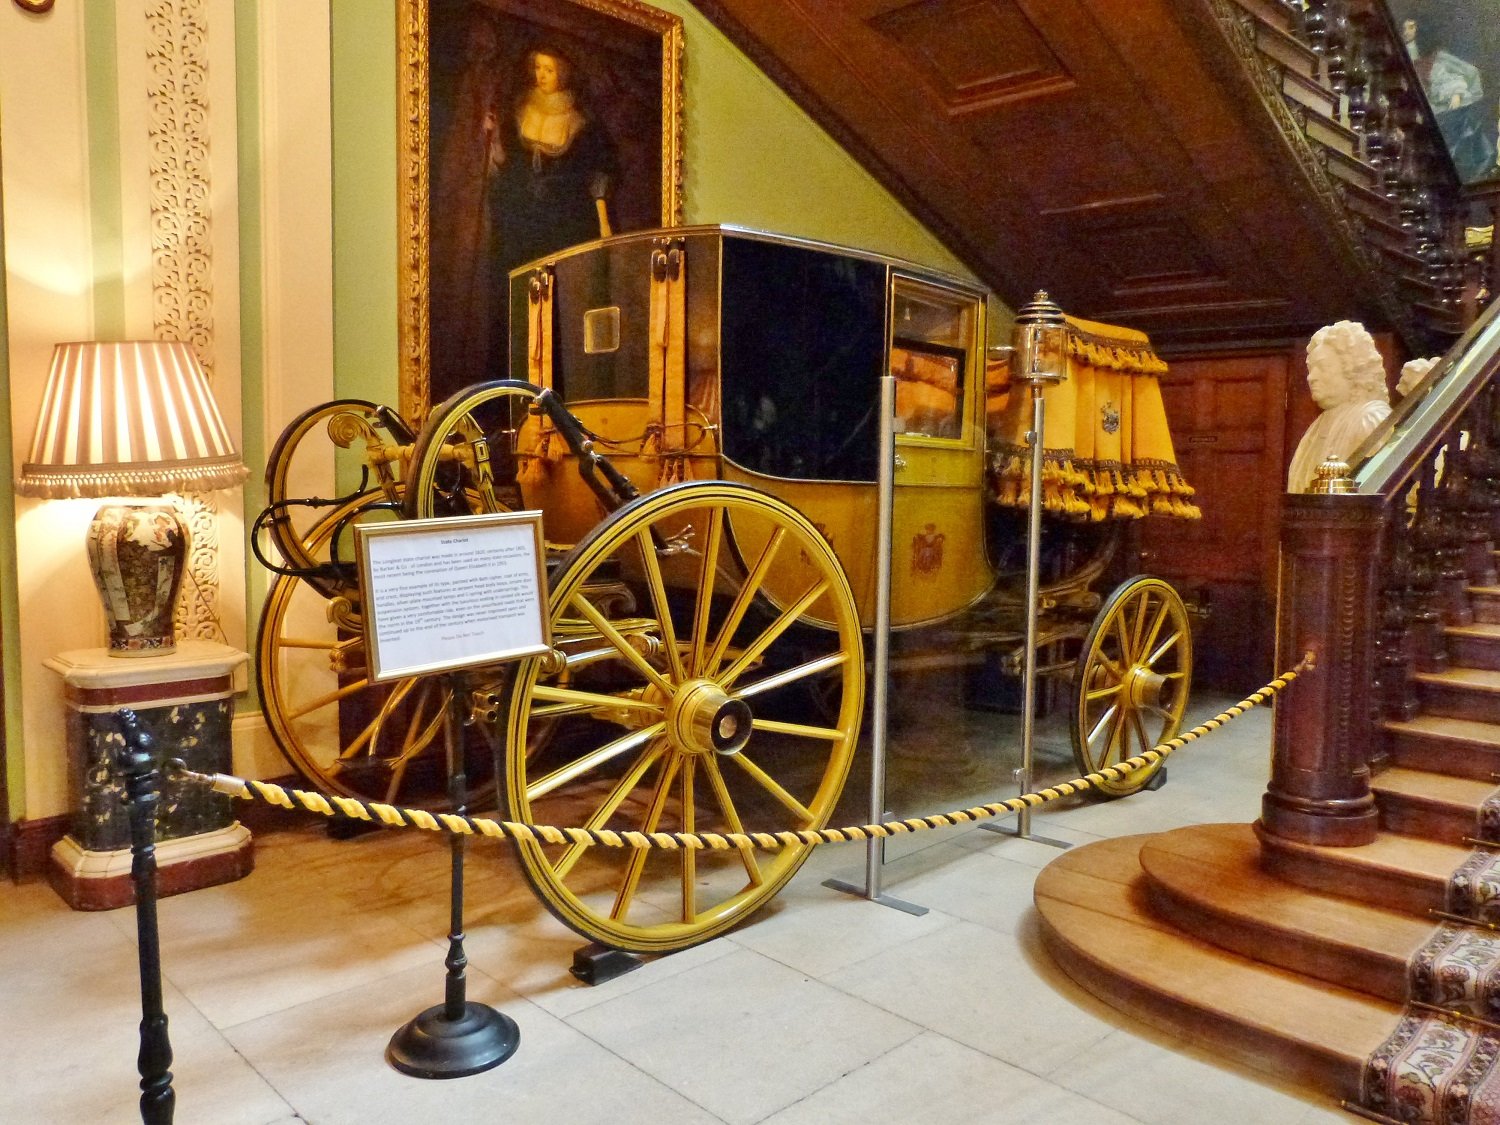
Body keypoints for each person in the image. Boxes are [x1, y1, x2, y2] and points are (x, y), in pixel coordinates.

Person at [489, 46, 616, 279]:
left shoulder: (580, 121)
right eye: (538, 68)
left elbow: (598, 173)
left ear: (563, 73)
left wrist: (604, 223)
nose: (541, 75)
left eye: (549, 69)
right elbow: (508, 163)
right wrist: (494, 141)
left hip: (562, 218)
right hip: (522, 215)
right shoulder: (520, 110)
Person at [1287, 321, 1392, 492]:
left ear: (1351, 369)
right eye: (1310, 369)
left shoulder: (1370, 420)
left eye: (1322, 367)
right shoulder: (1318, 425)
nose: (1311, 377)